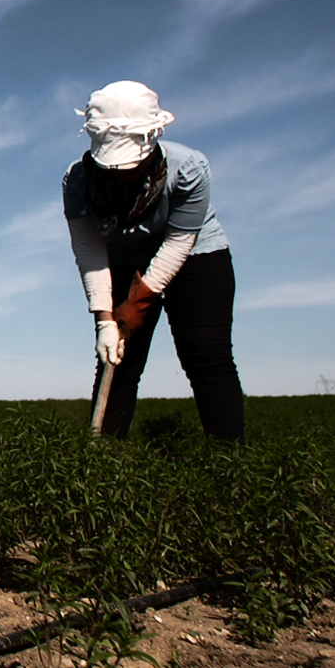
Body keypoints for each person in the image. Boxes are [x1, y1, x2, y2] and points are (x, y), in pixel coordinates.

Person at [64, 81, 244, 442]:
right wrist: (104, 319)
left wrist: (139, 300)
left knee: (206, 356)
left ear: (152, 136)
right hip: (123, 259)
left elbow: (180, 240)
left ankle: (231, 465)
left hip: (196, 256)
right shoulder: (78, 180)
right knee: (118, 360)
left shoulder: (189, 167)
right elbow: (90, 251)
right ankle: (104, 462)